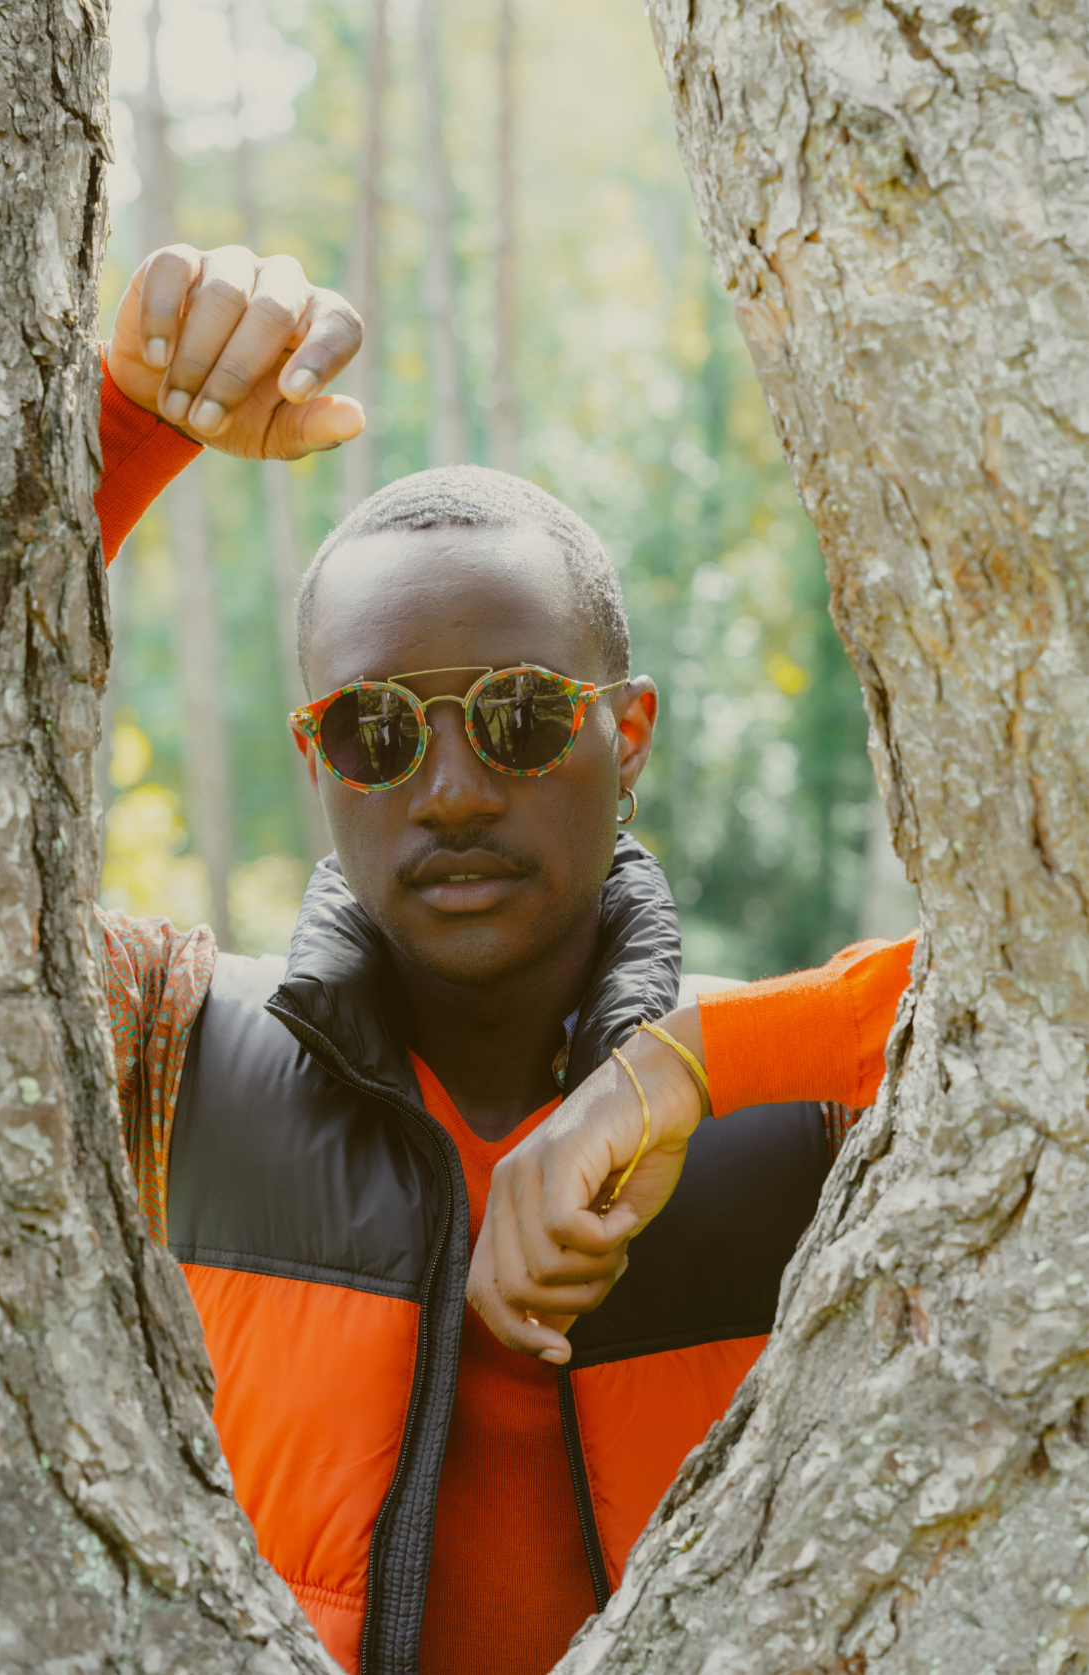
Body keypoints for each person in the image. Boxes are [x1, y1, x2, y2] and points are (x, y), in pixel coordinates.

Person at [95, 242, 917, 1675]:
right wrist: (124, 429)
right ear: (316, 764)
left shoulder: (811, 1103)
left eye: (523, 713)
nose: (456, 789)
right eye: (376, 731)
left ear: (631, 733)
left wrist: (684, 1070)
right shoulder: (169, 1045)